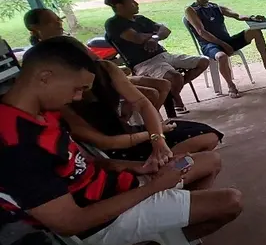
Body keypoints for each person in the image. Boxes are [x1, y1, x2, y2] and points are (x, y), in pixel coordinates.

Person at [0, 37, 242, 245]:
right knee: (231, 202)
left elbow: (81, 162)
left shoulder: (39, 114)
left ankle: (166, 244)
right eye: (77, 89)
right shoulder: (15, 144)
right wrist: (154, 187)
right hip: (104, 221)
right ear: (45, 77)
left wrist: (138, 167)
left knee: (209, 160)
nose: (77, 98)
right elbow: (71, 222)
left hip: (119, 187)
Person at [55, 39, 223, 162]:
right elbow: (105, 142)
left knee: (209, 135)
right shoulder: (59, 101)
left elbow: (142, 103)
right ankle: (164, 172)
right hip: (117, 150)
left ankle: (167, 170)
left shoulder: (104, 69)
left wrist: (158, 138)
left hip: (129, 132)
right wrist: (153, 135)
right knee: (207, 159)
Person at [24, 8, 171, 111]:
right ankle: (141, 125)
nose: (59, 23)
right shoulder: (39, 56)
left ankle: (151, 122)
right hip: (95, 89)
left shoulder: (69, 42)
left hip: (104, 79)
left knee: (162, 85)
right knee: (151, 93)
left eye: (59, 20)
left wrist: (116, 68)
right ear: (34, 29)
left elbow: (97, 62)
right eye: (51, 22)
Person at [104, 0, 209, 114]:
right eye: (131, 2)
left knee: (203, 61)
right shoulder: (113, 23)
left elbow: (166, 30)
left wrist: (155, 38)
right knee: (175, 77)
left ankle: (171, 93)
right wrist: (154, 34)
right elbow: (137, 38)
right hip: (144, 63)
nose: (136, 4)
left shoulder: (140, 19)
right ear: (119, 6)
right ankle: (175, 97)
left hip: (164, 55)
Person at [185, 0, 266, 98]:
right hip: (210, 45)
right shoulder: (191, 10)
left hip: (226, 41)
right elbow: (201, 32)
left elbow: (237, 15)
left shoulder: (215, 7)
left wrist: (251, 17)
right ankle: (231, 86)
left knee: (255, 31)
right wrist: (222, 44)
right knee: (222, 57)